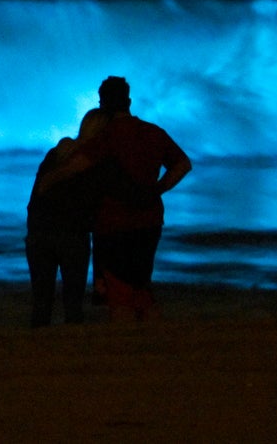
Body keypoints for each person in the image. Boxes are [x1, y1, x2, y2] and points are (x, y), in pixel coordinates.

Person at [39, 76, 191, 322]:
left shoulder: (107, 136)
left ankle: (125, 342)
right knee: (141, 286)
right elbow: (183, 165)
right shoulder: (153, 132)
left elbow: (77, 166)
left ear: (102, 103)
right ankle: (152, 340)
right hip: (150, 221)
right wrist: (158, 189)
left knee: (118, 293)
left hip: (113, 224)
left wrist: (49, 180)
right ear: (128, 101)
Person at [24, 108, 112, 327]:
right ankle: (72, 353)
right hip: (72, 235)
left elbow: (37, 196)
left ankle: (38, 351)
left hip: (40, 232)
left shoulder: (57, 152)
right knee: (73, 305)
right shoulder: (95, 162)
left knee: (41, 303)